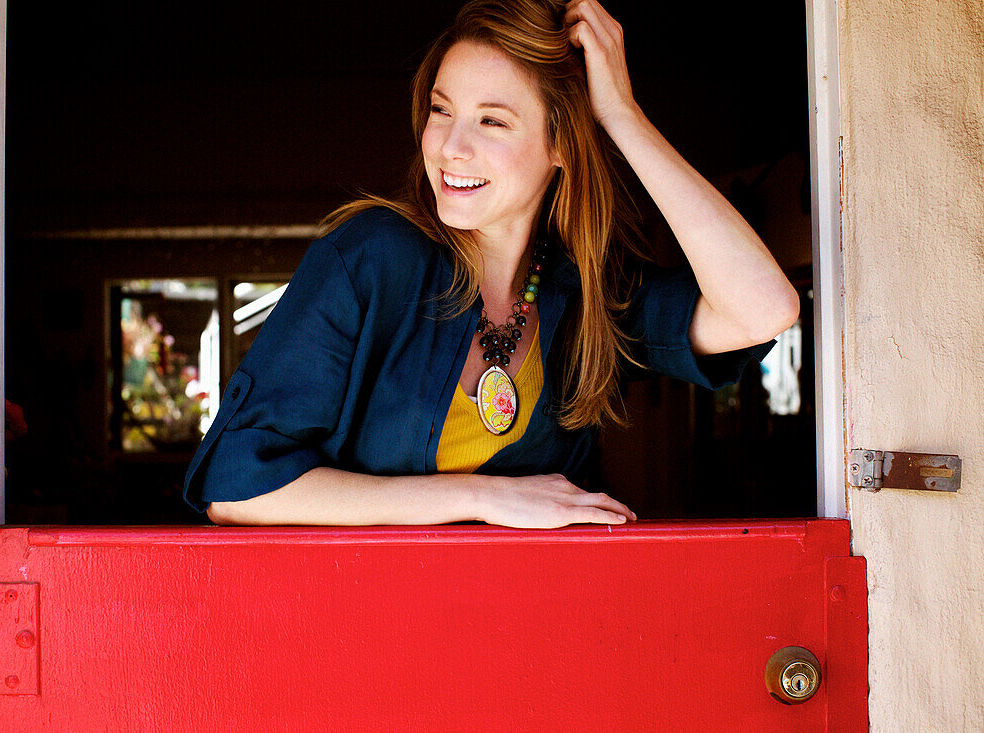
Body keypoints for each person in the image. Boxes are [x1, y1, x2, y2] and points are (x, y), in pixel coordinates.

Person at [183, 0, 799, 529]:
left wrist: (620, 115)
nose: (451, 146)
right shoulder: (371, 258)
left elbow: (764, 308)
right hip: (358, 629)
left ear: (561, 143)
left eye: (492, 121)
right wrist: (484, 498)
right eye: (441, 109)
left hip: (519, 635)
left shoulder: (581, 292)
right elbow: (236, 488)